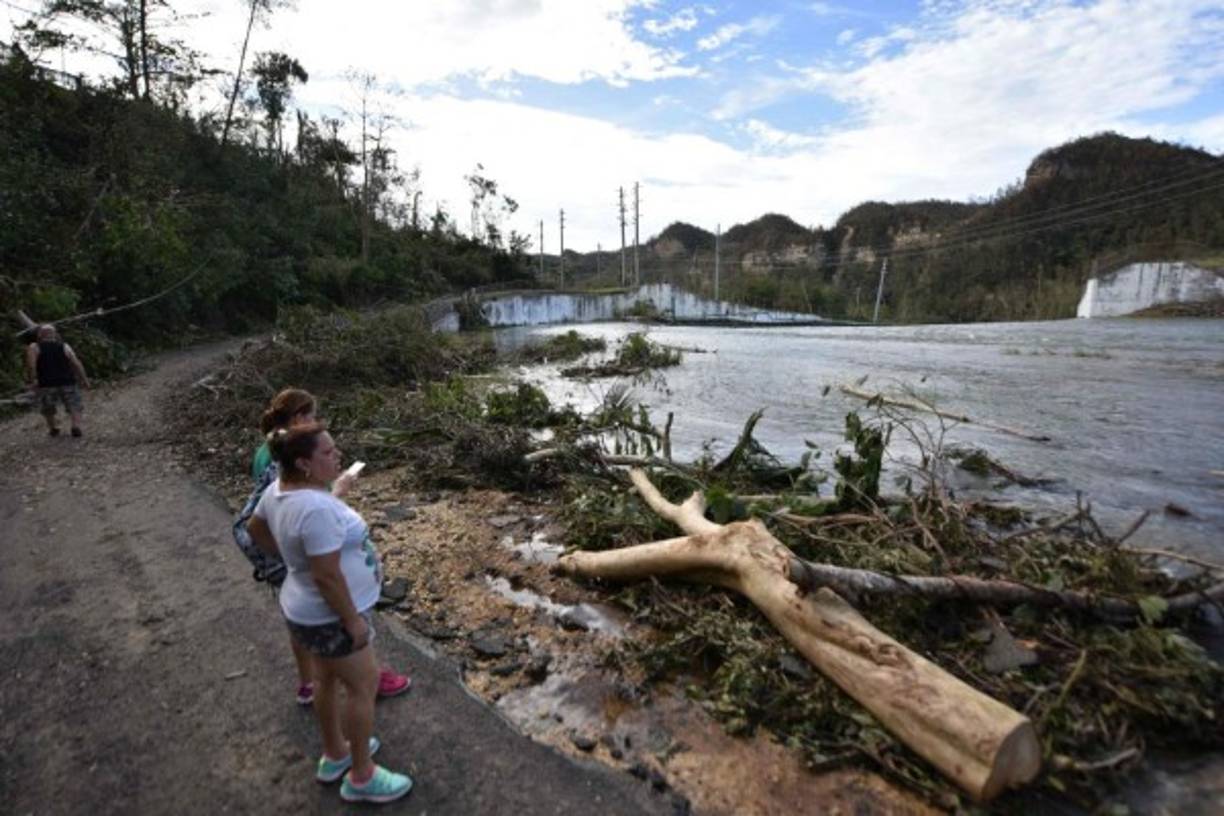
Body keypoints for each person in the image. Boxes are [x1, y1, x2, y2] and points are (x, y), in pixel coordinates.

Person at [249, 423, 413, 803]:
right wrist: (352, 620)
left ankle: (336, 753)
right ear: (303, 463)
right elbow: (326, 576)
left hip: (302, 609)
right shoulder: (315, 508)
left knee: (323, 679)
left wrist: (294, 562)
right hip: (331, 617)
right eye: (327, 452)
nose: (337, 456)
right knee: (362, 687)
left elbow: (256, 529)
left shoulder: (279, 491)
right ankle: (362, 776)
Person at [234, 388, 410, 705]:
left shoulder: (269, 449)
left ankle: (309, 683)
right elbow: (302, 509)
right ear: (299, 418)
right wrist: (337, 492)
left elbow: (274, 508)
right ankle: (366, 678)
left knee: (302, 626)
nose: (315, 422)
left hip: (290, 561)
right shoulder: (292, 461)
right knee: (340, 626)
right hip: (302, 561)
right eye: (312, 416)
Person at [25, 324, 90, 437]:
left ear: (40, 335)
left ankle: (53, 427)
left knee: (48, 407)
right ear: (54, 334)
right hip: (67, 381)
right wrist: (84, 379)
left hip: (46, 383)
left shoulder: (34, 347)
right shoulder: (64, 346)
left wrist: (33, 380)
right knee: (74, 404)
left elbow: (32, 366)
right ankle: (75, 426)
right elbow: (76, 363)